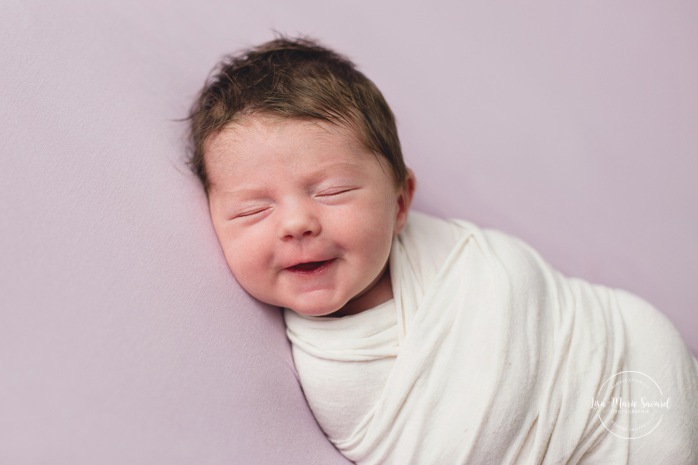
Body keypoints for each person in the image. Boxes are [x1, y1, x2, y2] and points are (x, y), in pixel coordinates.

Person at [187, 36, 698, 464]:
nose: (297, 223)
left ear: (401, 201)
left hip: (633, 354)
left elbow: (538, 303)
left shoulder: (458, 261)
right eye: (253, 211)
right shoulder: (329, 371)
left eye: (333, 191)